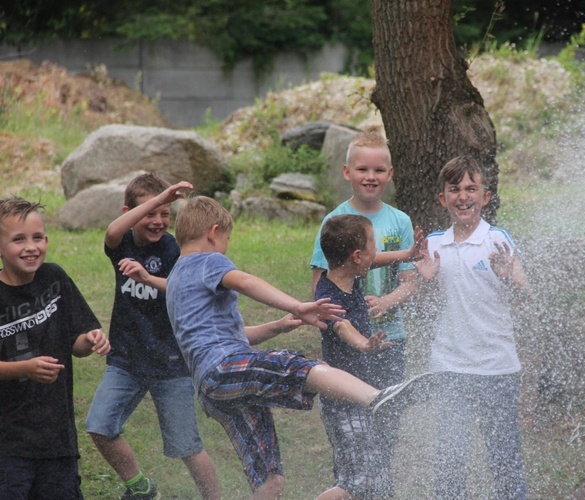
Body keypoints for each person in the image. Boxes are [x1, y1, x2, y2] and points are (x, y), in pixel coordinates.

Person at [165, 196, 436, 499]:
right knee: (304, 367)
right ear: (213, 233)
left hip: (212, 386)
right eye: (226, 240)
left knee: (269, 481)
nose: (225, 248)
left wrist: (278, 326)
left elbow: (231, 334)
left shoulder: (176, 277)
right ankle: (376, 398)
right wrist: (298, 305)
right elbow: (244, 281)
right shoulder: (207, 260)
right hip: (225, 367)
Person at [86, 174, 219, 500]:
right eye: (150, 212)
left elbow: (183, 290)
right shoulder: (123, 245)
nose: (159, 220)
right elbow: (112, 231)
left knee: (187, 446)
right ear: (130, 211)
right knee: (100, 426)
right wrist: (160, 197)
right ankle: (141, 489)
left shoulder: (173, 248)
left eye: (165, 213)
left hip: (170, 362)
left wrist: (147, 276)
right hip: (126, 358)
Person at [415, 156, 530, 499]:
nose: (463, 196)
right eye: (454, 189)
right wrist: (426, 284)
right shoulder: (434, 244)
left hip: (497, 366)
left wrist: (509, 277)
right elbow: (424, 310)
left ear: (486, 196)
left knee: (504, 460)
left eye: (471, 189)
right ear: (442, 198)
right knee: (450, 460)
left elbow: (526, 294)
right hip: (450, 367)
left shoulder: (497, 240)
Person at [310, 132, 418, 487]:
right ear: (346, 172)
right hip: (348, 351)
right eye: (362, 168)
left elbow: (409, 281)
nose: (370, 176)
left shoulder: (399, 221)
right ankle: (352, 487)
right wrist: (351, 334)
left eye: (378, 169)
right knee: (351, 434)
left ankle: (377, 489)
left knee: (386, 425)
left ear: (389, 173)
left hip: (391, 340)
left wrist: (386, 302)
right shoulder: (335, 222)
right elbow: (320, 292)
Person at [0, 197, 111, 498]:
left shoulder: (55, 278)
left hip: (56, 437)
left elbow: (76, 342)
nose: (30, 246)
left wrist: (90, 339)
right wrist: (25, 369)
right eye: (18, 239)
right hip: (8, 444)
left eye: (37, 237)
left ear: (47, 240)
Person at [315, 214, 406, 499]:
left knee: (374, 475)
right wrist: (366, 345)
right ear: (356, 256)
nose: (376, 255)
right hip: (342, 402)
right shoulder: (329, 297)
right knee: (357, 480)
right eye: (372, 247)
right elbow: (343, 327)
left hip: (357, 395)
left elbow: (374, 260)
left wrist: (409, 254)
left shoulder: (347, 276)